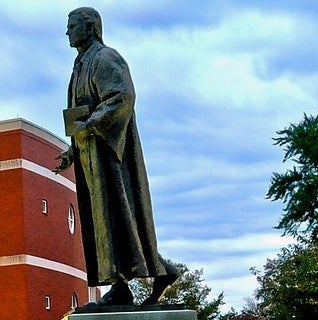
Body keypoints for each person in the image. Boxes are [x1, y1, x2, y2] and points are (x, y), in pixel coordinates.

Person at [53, 6, 182, 306]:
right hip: (91, 157)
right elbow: (82, 114)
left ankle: (126, 284)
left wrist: (92, 125)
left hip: (112, 156)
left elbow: (122, 97)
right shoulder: (80, 65)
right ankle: (147, 276)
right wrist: (72, 151)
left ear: (91, 28)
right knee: (110, 223)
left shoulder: (105, 58)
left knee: (117, 218)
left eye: (72, 26)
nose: (67, 32)